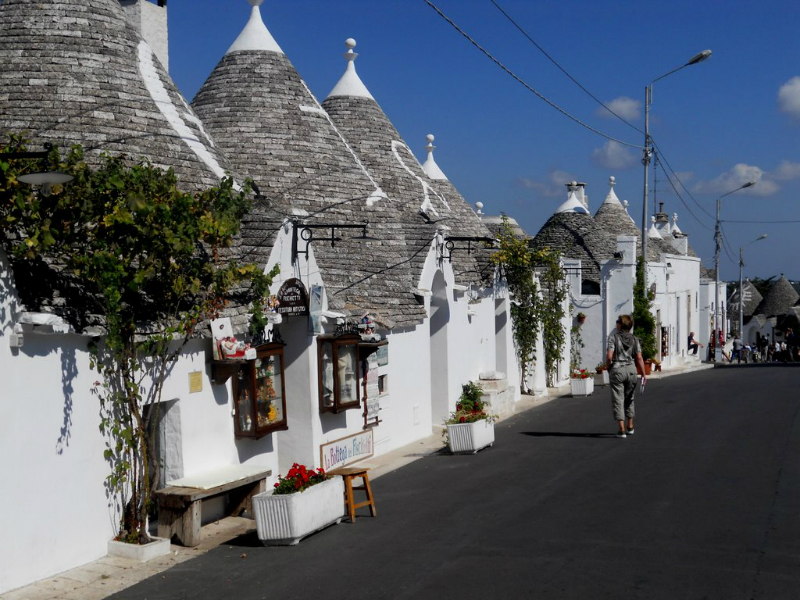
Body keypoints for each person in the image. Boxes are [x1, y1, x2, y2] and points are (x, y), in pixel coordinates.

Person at [606, 314, 647, 439]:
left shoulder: (613, 338)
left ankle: (621, 429)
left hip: (618, 369)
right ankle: (630, 426)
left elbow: (609, 356)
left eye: (618, 321)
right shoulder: (635, 339)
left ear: (621, 324)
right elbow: (639, 357)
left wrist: (608, 367)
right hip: (631, 370)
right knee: (630, 398)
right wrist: (643, 373)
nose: (616, 323)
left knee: (618, 399)